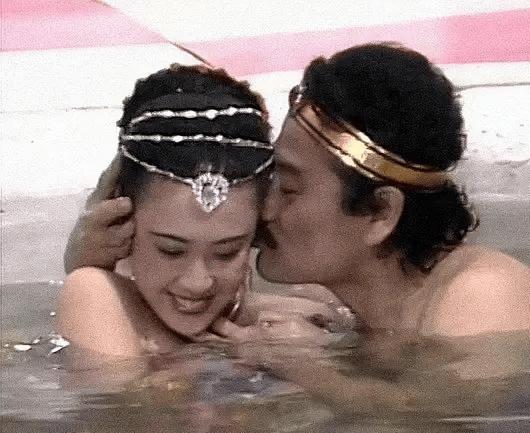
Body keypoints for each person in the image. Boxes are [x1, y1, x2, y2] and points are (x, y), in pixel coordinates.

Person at [64, 44, 530, 417]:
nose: (264, 210)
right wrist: (89, 267)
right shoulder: (338, 306)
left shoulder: (483, 296)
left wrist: (304, 371)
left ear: (379, 214)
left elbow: (445, 422)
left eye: (289, 187)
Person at [57, 64, 339, 358]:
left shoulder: (302, 295)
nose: (197, 282)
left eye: (227, 252)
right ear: (121, 219)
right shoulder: (94, 292)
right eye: (171, 251)